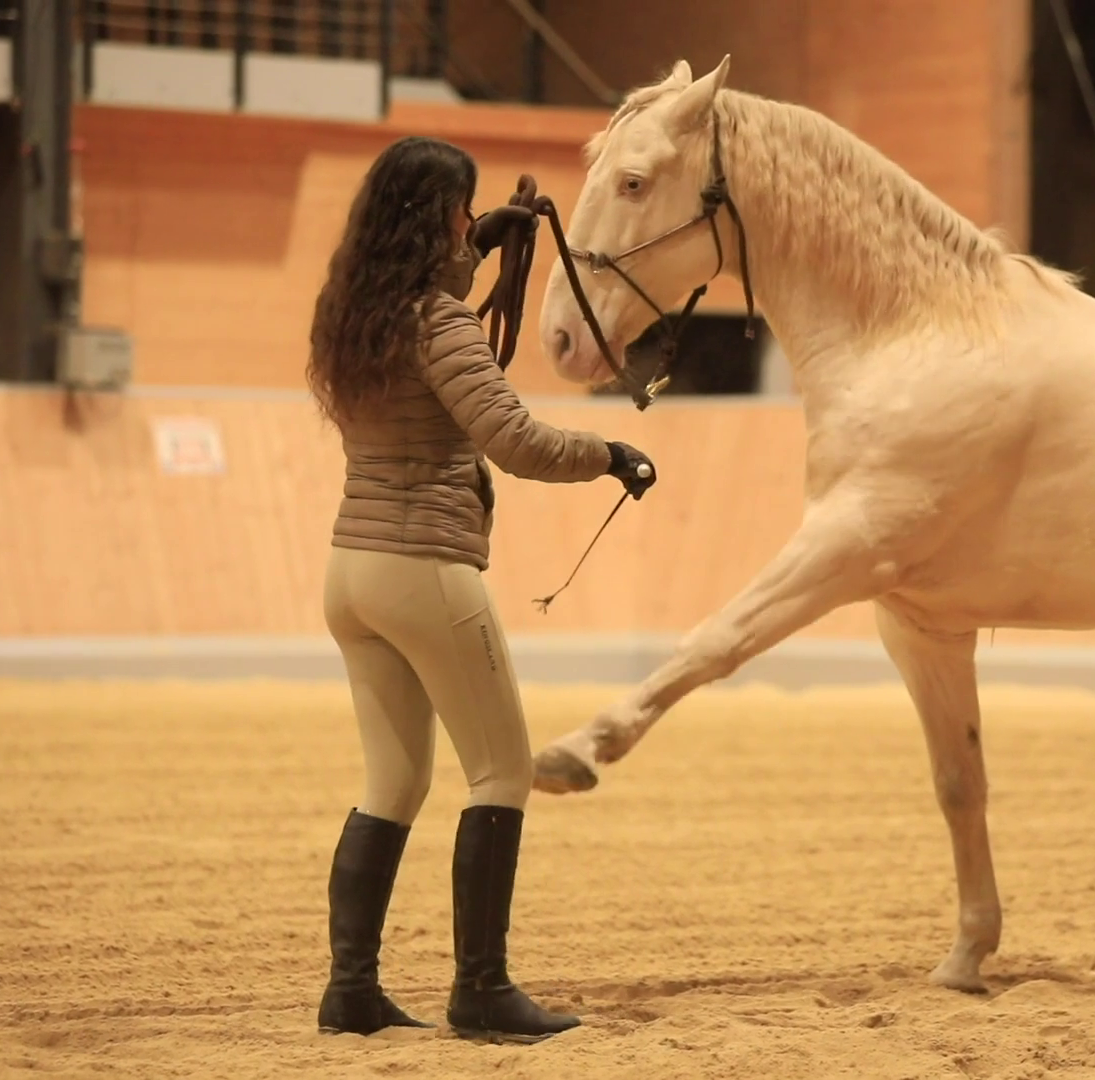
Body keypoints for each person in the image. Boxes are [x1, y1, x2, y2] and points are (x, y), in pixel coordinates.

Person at [304, 135, 656, 1044]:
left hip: (352, 570)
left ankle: (351, 991)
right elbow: (514, 440)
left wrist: (475, 249)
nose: (472, 222)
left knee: (393, 781)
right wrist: (609, 454)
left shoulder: (352, 314)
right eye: (464, 210)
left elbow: (438, 316)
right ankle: (482, 988)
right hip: (426, 567)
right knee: (501, 770)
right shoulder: (440, 322)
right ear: (439, 219)